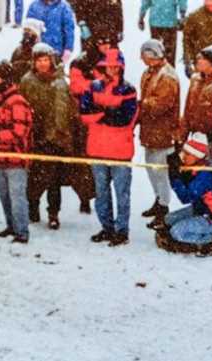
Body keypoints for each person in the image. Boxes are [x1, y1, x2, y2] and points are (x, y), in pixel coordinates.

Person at [79, 47, 138, 245]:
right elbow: (84, 114)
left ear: (121, 68)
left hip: (120, 151)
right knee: (101, 193)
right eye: (109, 66)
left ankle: (122, 231)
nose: (112, 70)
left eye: (115, 66)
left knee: (122, 194)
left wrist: (101, 113)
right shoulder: (92, 86)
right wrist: (110, 112)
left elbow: (126, 118)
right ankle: (107, 228)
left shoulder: (129, 90)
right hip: (98, 148)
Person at [20, 42, 74, 229]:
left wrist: (62, 134)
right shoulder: (27, 81)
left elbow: (66, 110)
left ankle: (53, 213)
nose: (43, 64)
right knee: (34, 178)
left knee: (54, 180)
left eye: (45, 60)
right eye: (39, 60)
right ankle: (33, 207)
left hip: (55, 138)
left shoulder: (60, 83)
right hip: (35, 137)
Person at [154, 130, 212, 256]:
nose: (183, 156)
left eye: (187, 154)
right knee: (168, 219)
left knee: (176, 232)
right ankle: (202, 230)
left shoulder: (206, 174)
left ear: (197, 156)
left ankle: (209, 241)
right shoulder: (194, 169)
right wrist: (176, 169)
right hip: (199, 209)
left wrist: (174, 177)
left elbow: (186, 197)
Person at [0, 59, 33, 241]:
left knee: (17, 195)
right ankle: (11, 225)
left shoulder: (17, 102)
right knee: (3, 193)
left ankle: (22, 230)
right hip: (0, 156)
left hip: (15, 157)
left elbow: (19, 132)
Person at [136, 38, 178, 229]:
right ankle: (158, 199)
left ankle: (164, 206)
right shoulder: (149, 73)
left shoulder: (167, 77)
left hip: (163, 131)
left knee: (160, 171)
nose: (142, 58)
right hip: (150, 130)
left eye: (144, 55)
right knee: (151, 168)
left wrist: (141, 105)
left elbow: (161, 105)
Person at [180, 45, 212, 162]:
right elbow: (187, 111)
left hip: (211, 139)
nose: (198, 61)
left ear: (211, 62)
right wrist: (181, 137)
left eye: (202, 59)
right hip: (194, 137)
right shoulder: (195, 80)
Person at [138, 0, 186, 67]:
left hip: (155, 22)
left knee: (155, 52)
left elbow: (145, 2)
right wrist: (182, 14)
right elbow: (182, 1)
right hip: (170, 21)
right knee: (170, 55)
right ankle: (169, 73)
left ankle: (156, 71)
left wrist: (141, 17)